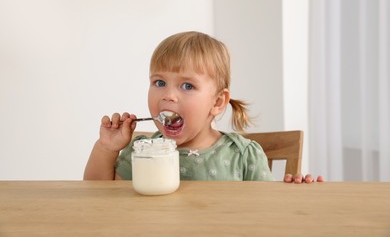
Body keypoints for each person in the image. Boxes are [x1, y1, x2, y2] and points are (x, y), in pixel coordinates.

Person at [84, 31, 322, 183]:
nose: (168, 96)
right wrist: (106, 149)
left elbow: (268, 211)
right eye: (159, 82)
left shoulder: (242, 156)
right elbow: (99, 197)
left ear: (217, 102)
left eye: (187, 86)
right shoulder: (143, 151)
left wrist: (292, 192)